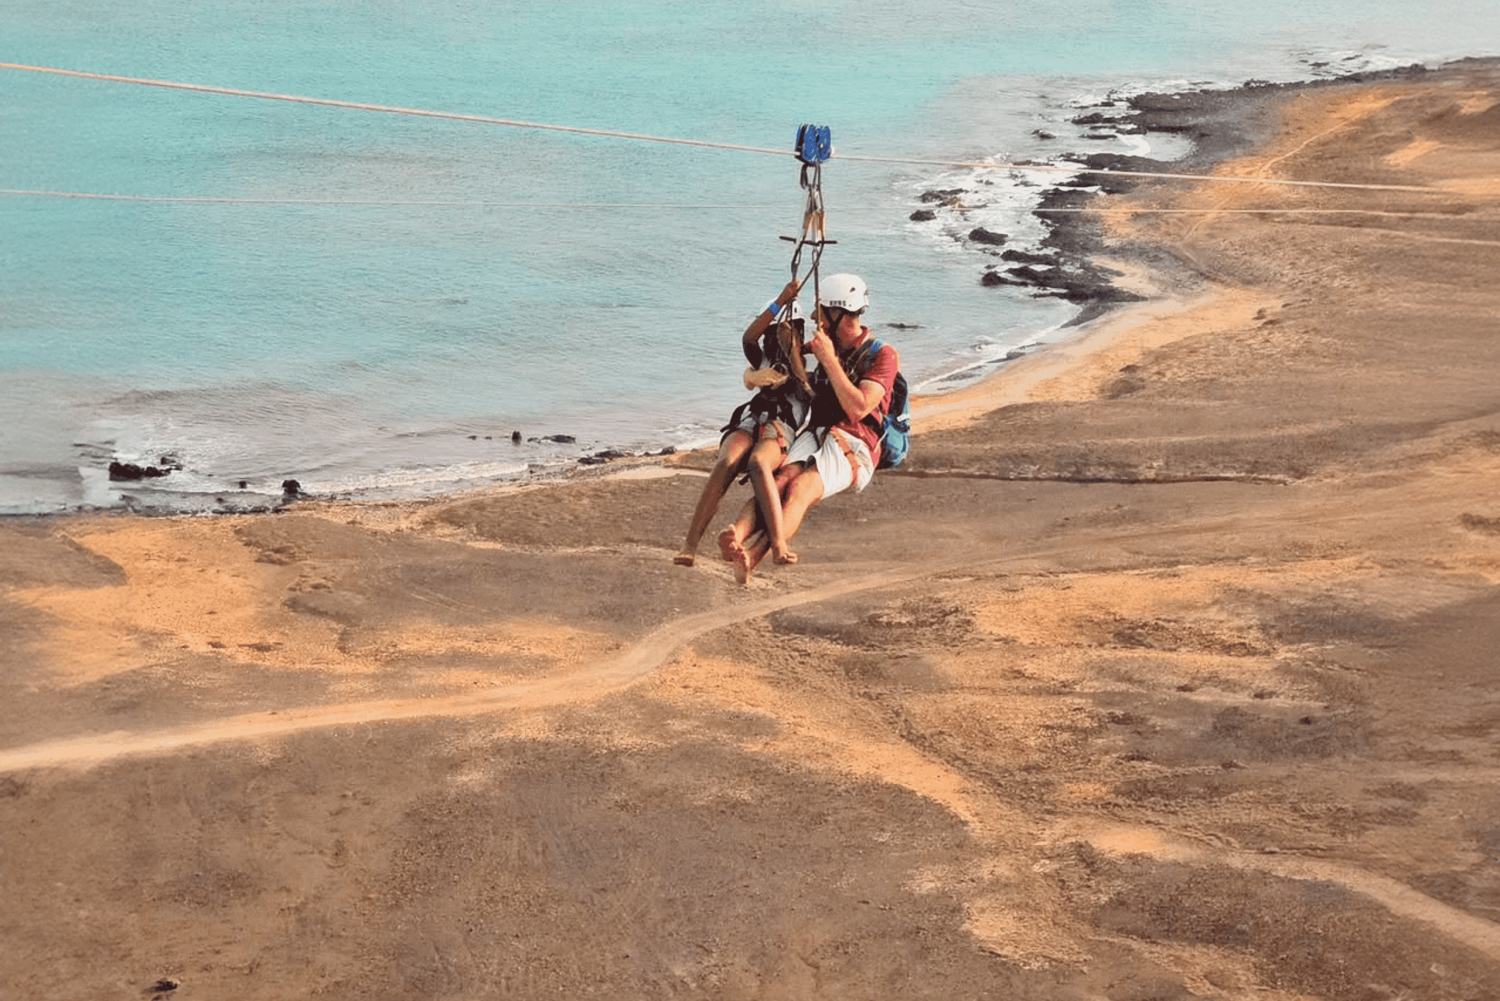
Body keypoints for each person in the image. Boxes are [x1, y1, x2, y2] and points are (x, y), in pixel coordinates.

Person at [720, 273, 899, 582]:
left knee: (800, 488)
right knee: (778, 481)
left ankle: (753, 555)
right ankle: (736, 535)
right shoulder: (820, 346)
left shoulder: (883, 356)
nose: (816, 318)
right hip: (819, 432)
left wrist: (828, 360)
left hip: (856, 442)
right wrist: (752, 377)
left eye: (821, 311)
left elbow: (858, 408)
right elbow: (773, 358)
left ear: (838, 312)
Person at [674, 278, 815, 566]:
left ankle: (778, 542)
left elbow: (809, 394)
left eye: (782, 335)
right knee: (726, 462)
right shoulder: (761, 358)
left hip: (781, 427)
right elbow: (748, 338)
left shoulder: (810, 364)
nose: (774, 341)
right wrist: (781, 300)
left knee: (758, 463)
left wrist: (792, 352)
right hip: (752, 419)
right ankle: (690, 545)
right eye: (771, 335)